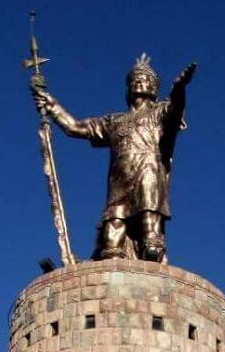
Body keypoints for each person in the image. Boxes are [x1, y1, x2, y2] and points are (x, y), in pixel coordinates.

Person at [32, 54, 196, 263]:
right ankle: (111, 262)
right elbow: (76, 127)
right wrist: (52, 105)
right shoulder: (114, 121)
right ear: (127, 88)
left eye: (146, 79)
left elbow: (175, 109)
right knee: (112, 235)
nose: (139, 81)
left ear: (154, 88)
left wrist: (179, 88)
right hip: (119, 180)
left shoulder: (159, 113)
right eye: (135, 79)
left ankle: (151, 250)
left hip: (148, 170)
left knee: (149, 223)